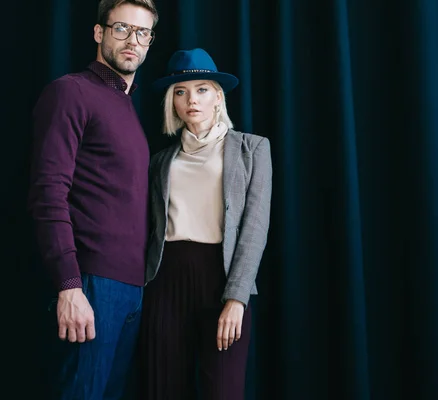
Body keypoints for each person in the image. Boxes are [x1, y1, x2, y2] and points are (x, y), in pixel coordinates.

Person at [27, 0, 159, 398]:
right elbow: (48, 192)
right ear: (99, 32)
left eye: (142, 33)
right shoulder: (71, 92)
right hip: (90, 283)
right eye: (121, 28)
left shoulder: (128, 107)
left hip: (132, 289)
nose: (132, 40)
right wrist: (70, 285)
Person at [138, 47, 272, 400]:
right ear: (173, 103)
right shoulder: (160, 161)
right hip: (166, 281)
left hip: (222, 281)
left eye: (201, 89)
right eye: (180, 92)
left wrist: (237, 299)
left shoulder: (252, 149)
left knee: (222, 392)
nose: (191, 99)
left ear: (217, 97)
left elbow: (254, 230)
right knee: (163, 390)